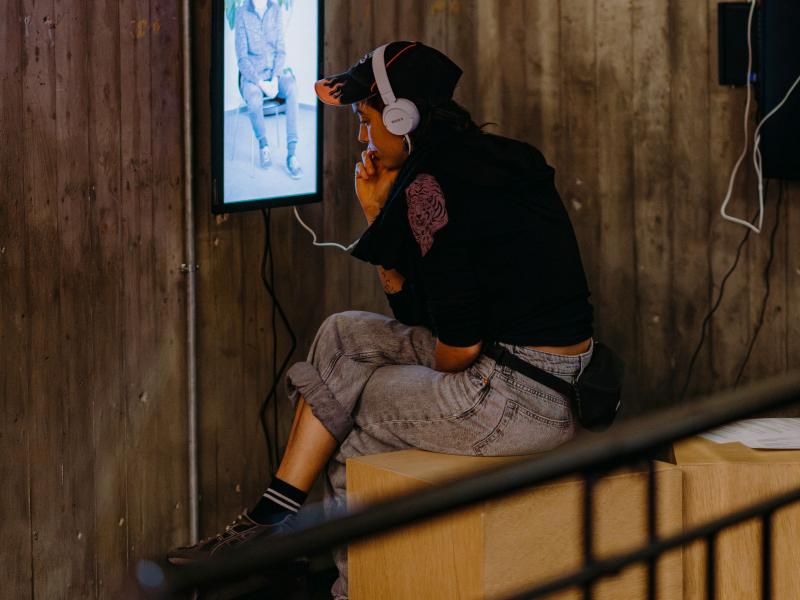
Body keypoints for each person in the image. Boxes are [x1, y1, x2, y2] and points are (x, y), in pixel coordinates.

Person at [168, 41, 595, 599]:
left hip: (516, 400)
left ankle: (339, 583)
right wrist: (377, 213)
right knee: (344, 333)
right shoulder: (500, 157)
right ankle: (273, 518)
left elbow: (457, 348)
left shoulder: (429, 188)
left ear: (401, 118)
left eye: (365, 121)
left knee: (354, 420)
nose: (363, 138)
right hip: (555, 381)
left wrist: (384, 372)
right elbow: (432, 318)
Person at [235, 0, 303, 179]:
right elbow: (242, 58)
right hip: (252, 78)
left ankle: (292, 154)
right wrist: (260, 83)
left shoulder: (275, 10)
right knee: (254, 98)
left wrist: (274, 79)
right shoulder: (242, 13)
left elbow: (281, 51)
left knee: (292, 87)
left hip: (274, 75)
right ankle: (263, 144)